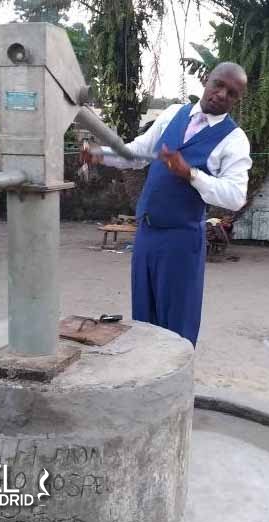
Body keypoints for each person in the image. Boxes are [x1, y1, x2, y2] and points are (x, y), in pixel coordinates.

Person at [82, 62, 252, 347]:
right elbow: (138, 154)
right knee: (143, 317)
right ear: (206, 79)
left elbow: (235, 196)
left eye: (232, 93)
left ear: (237, 99)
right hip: (147, 234)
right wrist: (102, 154)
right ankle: (145, 371)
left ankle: (177, 373)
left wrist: (191, 174)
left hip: (181, 240)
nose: (222, 94)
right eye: (219, 85)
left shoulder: (234, 140)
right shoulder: (174, 113)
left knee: (176, 321)